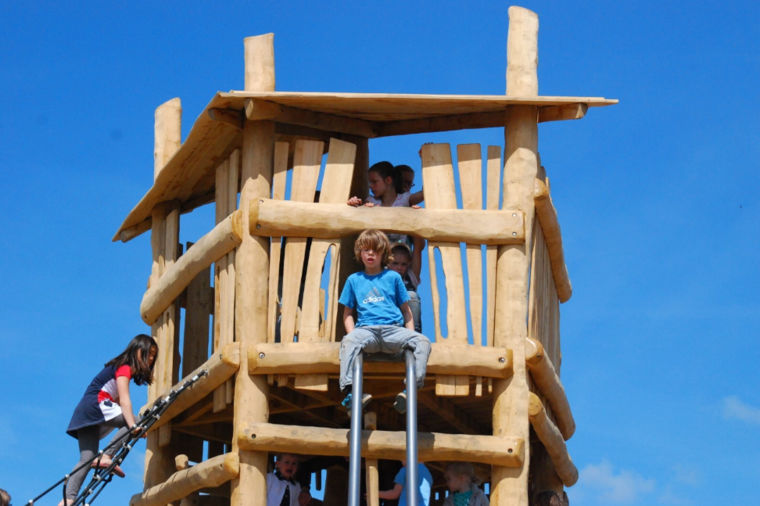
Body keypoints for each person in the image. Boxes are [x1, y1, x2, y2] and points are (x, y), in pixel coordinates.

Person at [338, 230, 431, 414]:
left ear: (383, 255)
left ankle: (410, 389)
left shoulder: (393, 278)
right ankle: (351, 392)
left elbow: (406, 310)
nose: (370, 254)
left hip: (392, 330)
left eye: (375, 251)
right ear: (360, 254)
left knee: (423, 341)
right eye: (366, 250)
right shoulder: (354, 280)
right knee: (347, 342)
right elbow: (347, 313)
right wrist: (352, 335)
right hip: (367, 330)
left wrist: (411, 334)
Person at [61, 334, 158, 506]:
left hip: (85, 412)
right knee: (136, 421)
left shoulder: (119, 368)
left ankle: (67, 499)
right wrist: (134, 427)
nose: (150, 359)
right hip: (96, 405)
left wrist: (132, 428)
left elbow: (120, 402)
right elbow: (125, 399)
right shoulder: (124, 367)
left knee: (87, 458)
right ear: (137, 351)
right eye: (148, 353)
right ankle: (107, 455)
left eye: (153, 355)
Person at [389, 243, 422, 333]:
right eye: (395, 263)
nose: (399, 267)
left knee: (411, 295)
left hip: (407, 324)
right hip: (389, 323)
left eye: (403, 264)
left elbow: (417, 247)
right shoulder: (382, 277)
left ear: (408, 264)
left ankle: (414, 335)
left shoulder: (410, 277)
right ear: (388, 263)